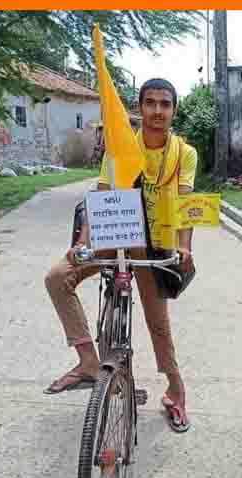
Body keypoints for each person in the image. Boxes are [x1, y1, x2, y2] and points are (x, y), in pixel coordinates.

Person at [44, 78, 198, 433]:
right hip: (115, 235)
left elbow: (187, 203)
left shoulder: (183, 153)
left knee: (158, 323)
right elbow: (100, 195)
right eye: (150, 103)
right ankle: (87, 360)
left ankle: (176, 393)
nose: (157, 110)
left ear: (173, 110)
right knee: (56, 277)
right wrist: (82, 243)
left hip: (155, 244)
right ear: (139, 107)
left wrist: (185, 246)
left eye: (165, 104)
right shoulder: (119, 147)